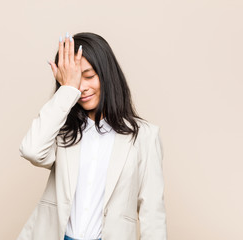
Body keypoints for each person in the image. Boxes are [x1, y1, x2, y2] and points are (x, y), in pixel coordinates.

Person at [16, 32, 167, 240]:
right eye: (75, 80)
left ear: (106, 74)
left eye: (88, 76)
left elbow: (153, 215)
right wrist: (68, 90)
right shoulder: (61, 131)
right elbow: (32, 151)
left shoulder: (145, 136)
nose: (82, 87)